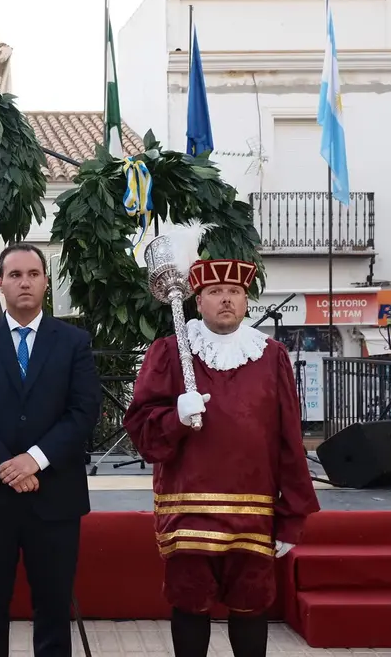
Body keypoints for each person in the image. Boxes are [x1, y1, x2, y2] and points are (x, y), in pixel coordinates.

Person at [123, 257, 320, 657]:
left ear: (246, 301)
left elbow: (289, 439)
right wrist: (175, 415)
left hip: (255, 509)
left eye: (235, 292)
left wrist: (292, 515)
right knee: (190, 604)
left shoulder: (270, 355)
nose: (226, 300)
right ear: (198, 302)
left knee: (251, 608)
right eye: (215, 292)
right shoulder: (170, 352)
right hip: (188, 508)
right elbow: (141, 429)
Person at [0, 242, 102, 657]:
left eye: (33, 274)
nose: (24, 282)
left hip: (53, 498)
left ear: (46, 281)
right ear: (0, 283)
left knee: (53, 608)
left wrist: (34, 459)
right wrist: (6, 464)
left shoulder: (74, 342)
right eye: (14, 275)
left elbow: (84, 410)